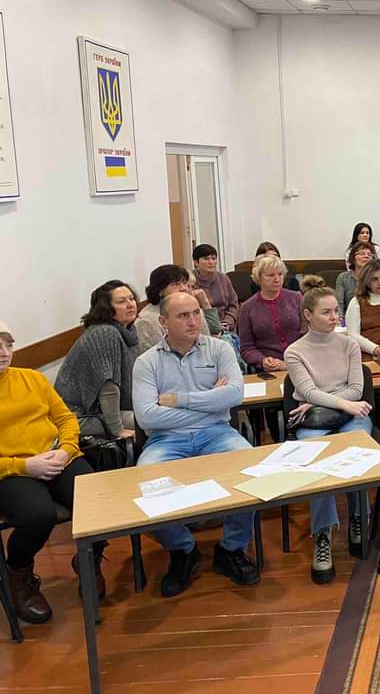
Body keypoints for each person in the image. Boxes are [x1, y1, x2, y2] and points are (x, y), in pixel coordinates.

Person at [132, 292, 259, 597]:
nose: (193, 321)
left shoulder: (220, 349)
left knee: (251, 470)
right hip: (166, 439)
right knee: (145, 483)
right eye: (183, 315)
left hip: (217, 432)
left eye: (196, 313)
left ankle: (231, 548)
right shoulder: (146, 362)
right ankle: (183, 550)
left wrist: (178, 400)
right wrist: (211, 402)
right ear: (163, 322)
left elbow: (234, 395)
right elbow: (147, 416)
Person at [0, 320, 107, 623]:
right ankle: (18, 572)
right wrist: (25, 465)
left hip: (56, 456)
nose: (4, 351)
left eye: (8, 344)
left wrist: (67, 450)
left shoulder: (32, 378)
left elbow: (65, 419)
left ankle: (89, 559)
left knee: (99, 502)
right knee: (38, 515)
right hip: (11, 470)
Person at [285, 285, 374, 584]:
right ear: (308, 315)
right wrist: (336, 401)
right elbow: (307, 391)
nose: (335, 317)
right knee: (317, 463)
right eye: (326, 312)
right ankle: (322, 533)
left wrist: (318, 400)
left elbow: (357, 389)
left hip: (349, 416)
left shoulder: (349, 345)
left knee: (358, 454)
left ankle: (358, 516)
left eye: (336, 310)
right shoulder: (294, 351)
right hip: (316, 421)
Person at [54, 280, 140, 438]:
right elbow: (108, 390)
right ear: (106, 308)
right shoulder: (104, 333)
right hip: (80, 417)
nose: (130, 304)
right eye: (121, 301)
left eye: (132, 298)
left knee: (158, 415)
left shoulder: (129, 331)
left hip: (106, 411)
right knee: (151, 420)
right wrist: (118, 431)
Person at [238, 254, 305, 372]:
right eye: (271, 275)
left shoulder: (297, 298)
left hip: (300, 362)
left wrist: (291, 363)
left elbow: (308, 334)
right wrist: (262, 361)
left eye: (280, 274)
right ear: (259, 278)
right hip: (268, 368)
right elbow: (246, 348)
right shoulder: (247, 308)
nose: (277, 279)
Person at [135, 264, 221, 352]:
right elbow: (157, 355)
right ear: (160, 290)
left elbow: (207, 343)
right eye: (175, 284)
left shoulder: (194, 309)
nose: (183, 288)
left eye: (184, 283)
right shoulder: (146, 321)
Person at [192, 244, 239, 330]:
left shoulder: (223, 278)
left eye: (213, 258)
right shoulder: (190, 281)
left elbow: (233, 304)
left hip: (226, 325)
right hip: (203, 326)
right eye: (206, 259)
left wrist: (228, 322)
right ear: (196, 262)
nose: (211, 262)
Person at [335, 240, 376, 322]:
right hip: (348, 319)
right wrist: (340, 319)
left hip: (371, 319)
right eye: (362, 253)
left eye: (369, 255)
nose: (366, 256)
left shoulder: (376, 278)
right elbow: (339, 303)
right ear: (353, 258)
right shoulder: (343, 277)